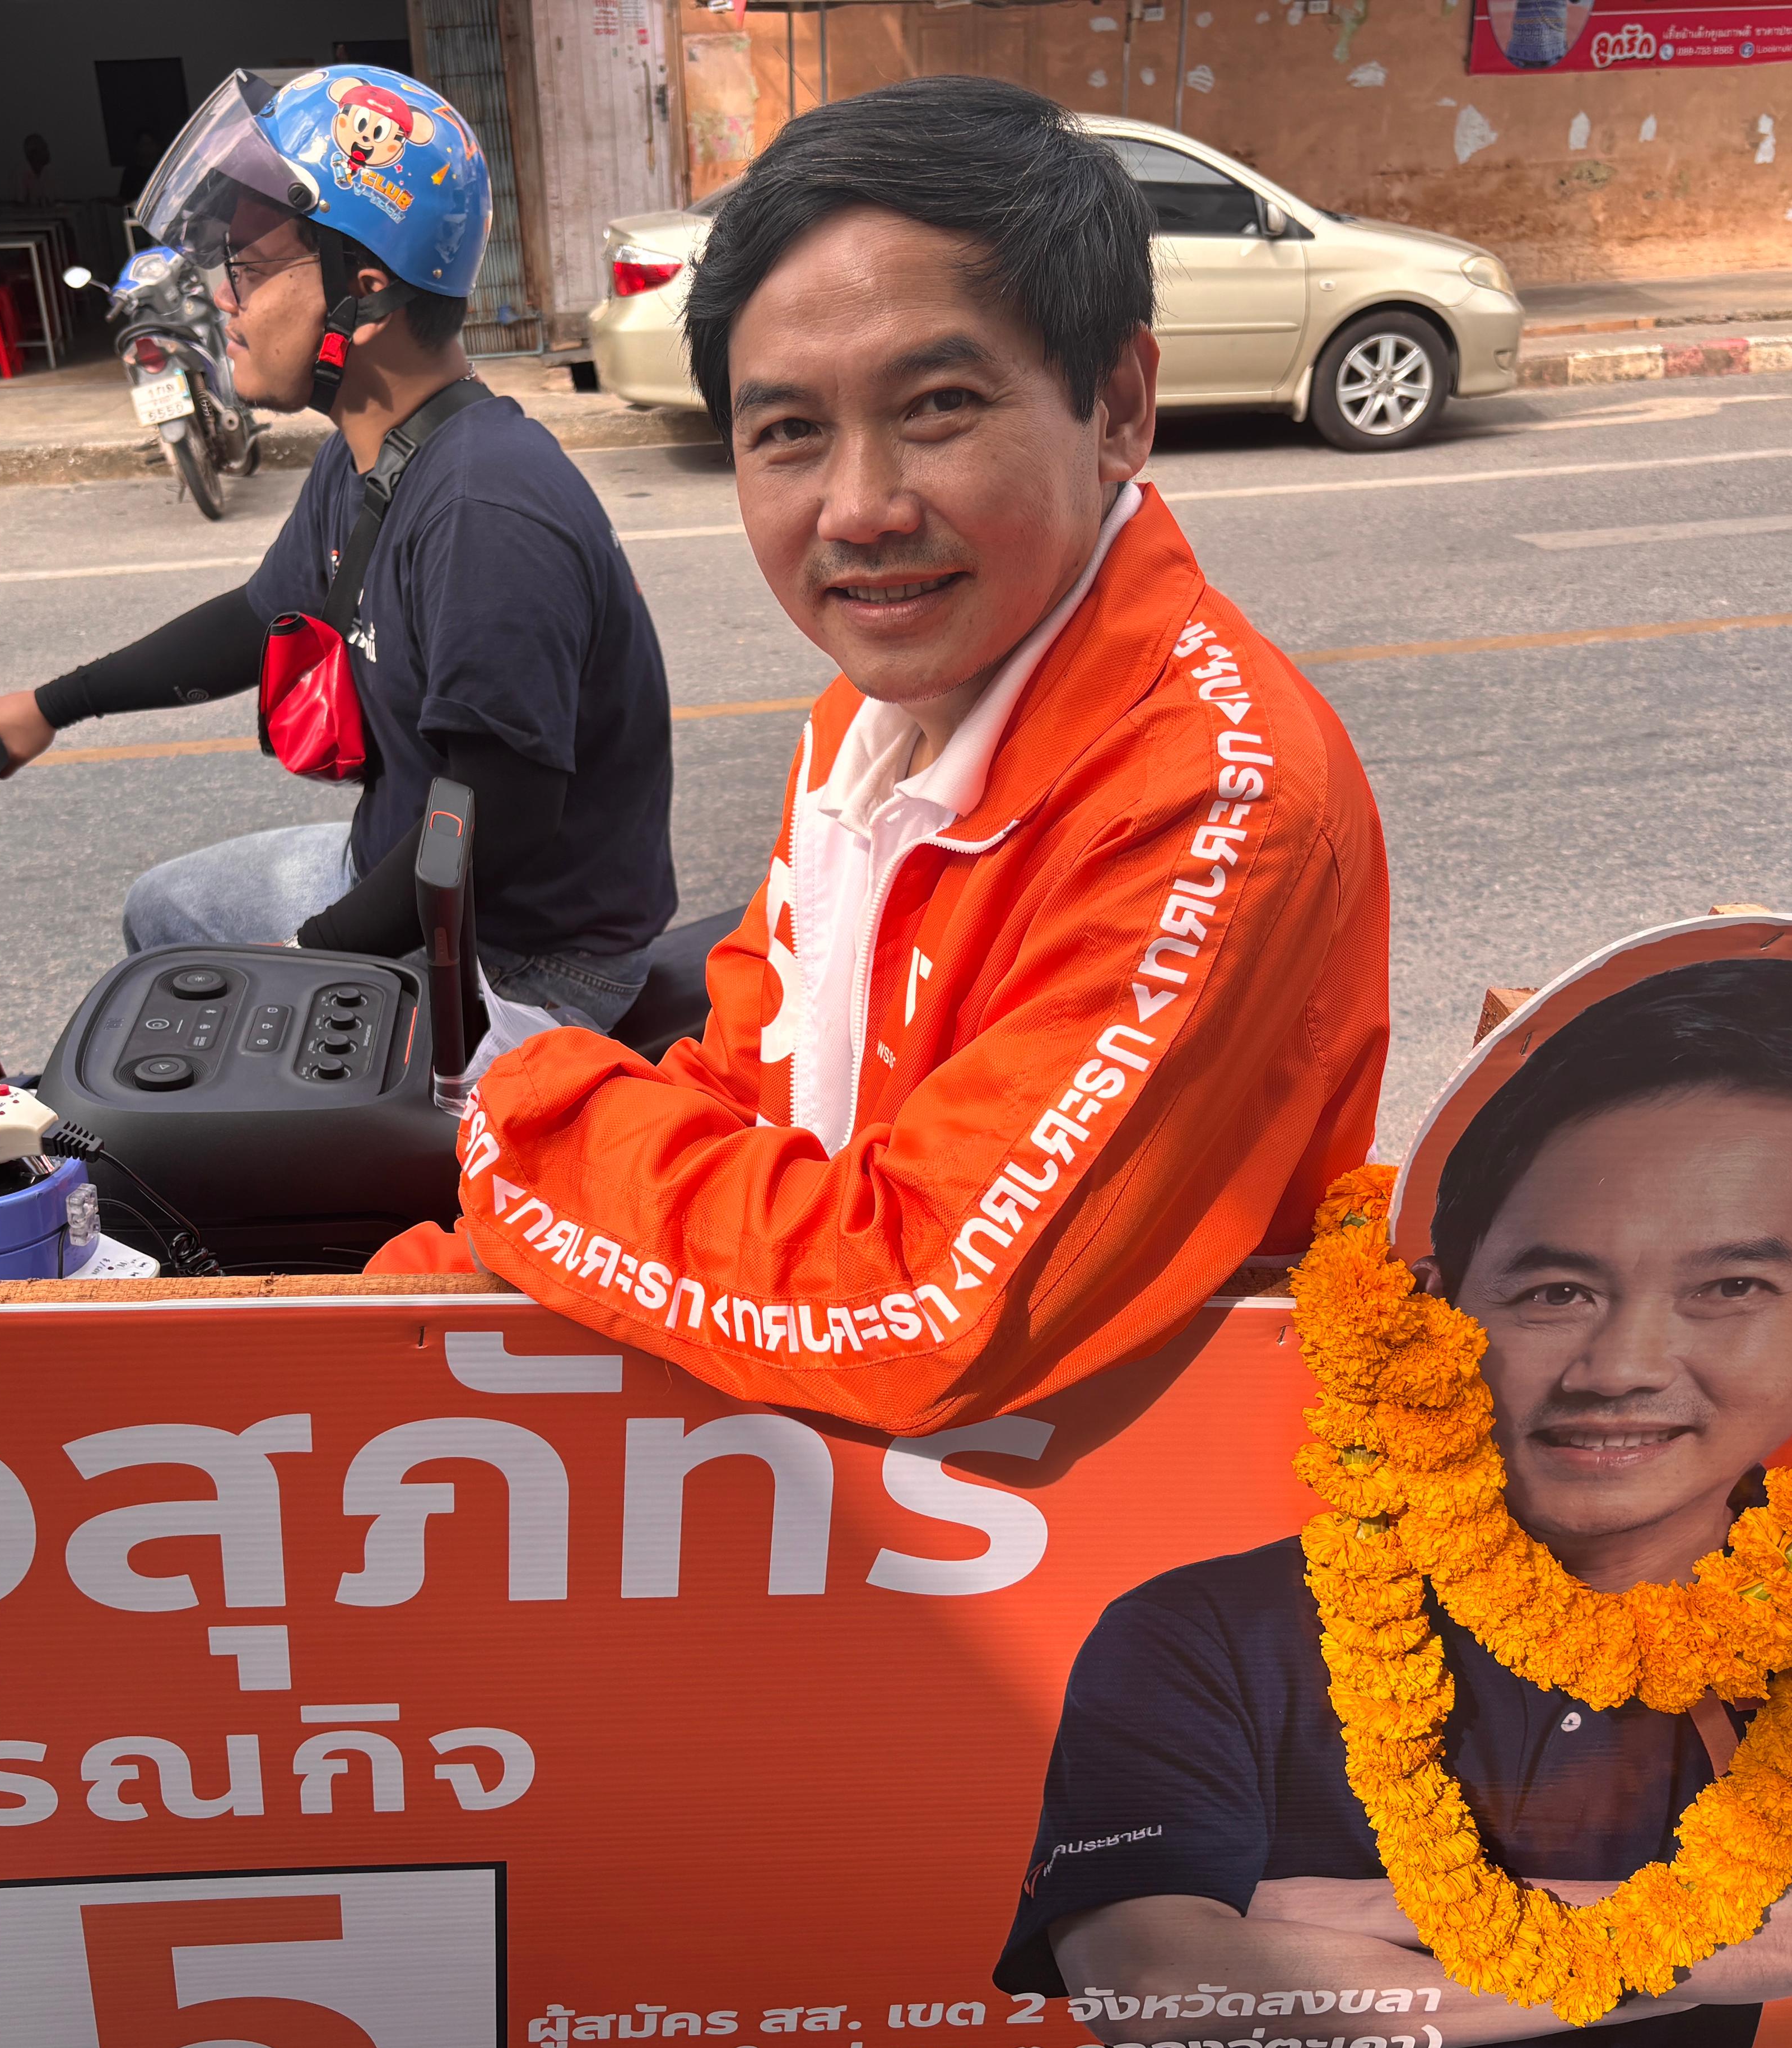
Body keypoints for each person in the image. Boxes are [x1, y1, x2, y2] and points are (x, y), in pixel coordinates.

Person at [368, 77, 1390, 1436]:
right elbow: (748, 1085)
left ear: (1118, 408)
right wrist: (384, 1315)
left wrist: (528, 1114)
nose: (858, 509)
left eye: (938, 405)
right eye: (788, 432)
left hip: (1089, 1528)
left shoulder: (1209, 797)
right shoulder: (867, 722)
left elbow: (916, 1301)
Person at [998, 955, 1792, 2048]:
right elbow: (1153, 1984)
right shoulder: (1209, 1631)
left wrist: (1331, 1912)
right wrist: (1711, 1933)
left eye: (1730, 1288)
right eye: (1555, 1291)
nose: (1619, 1371)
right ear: (1441, 1300)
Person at [0, 68, 676, 1031]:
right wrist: (49, 709)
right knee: (163, 912)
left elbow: (497, 818)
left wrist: (312, 958)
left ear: (366, 292)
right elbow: (260, 619)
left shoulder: (485, 506)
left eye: (249, 268)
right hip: (393, 870)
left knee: (217, 1087)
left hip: (524, 961)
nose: (222, 300)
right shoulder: (373, 450)